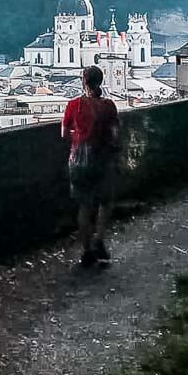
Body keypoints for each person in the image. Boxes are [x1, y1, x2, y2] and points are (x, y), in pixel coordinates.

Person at [61, 65, 121, 267]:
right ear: (101, 81)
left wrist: (78, 139)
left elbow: (64, 134)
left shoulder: (73, 105)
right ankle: (99, 240)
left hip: (78, 160)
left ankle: (86, 250)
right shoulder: (109, 106)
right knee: (106, 201)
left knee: (84, 206)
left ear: (83, 81)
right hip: (101, 160)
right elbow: (114, 135)